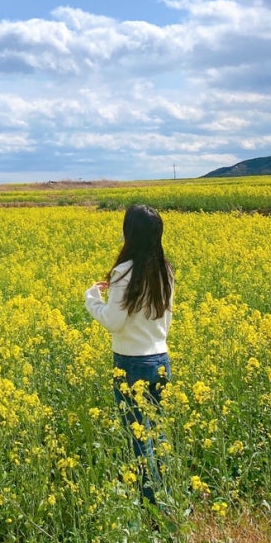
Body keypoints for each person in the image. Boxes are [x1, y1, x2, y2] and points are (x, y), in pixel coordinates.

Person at [84, 204, 174, 507]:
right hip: (161, 359)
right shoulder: (166, 270)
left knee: (139, 438)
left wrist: (92, 299)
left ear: (129, 233)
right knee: (158, 435)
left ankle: (150, 508)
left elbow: (113, 322)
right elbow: (165, 318)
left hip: (131, 363)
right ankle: (166, 498)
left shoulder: (124, 271)